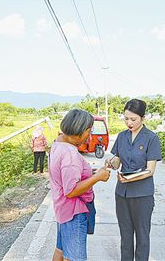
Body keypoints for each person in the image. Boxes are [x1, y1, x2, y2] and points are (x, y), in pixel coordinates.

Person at [49, 109, 111, 261]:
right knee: (76, 257)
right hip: (74, 212)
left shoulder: (58, 143)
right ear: (81, 130)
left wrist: (89, 172)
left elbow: (65, 174)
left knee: (61, 250)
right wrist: (98, 177)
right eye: (89, 131)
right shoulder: (70, 154)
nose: (89, 136)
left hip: (62, 210)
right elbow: (71, 190)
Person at [105, 99, 161, 261]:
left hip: (142, 195)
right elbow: (118, 160)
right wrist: (111, 162)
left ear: (143, 118)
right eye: (126, 119)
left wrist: (128, 178)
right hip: (122, 194)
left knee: (142, 238)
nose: (129, 123)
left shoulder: (151, 138)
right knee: (125, 236)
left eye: (133, 119)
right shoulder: (122, 137)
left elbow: (150, 170)